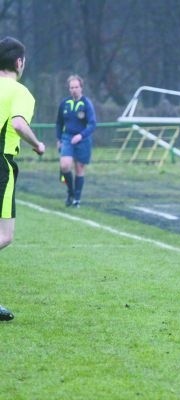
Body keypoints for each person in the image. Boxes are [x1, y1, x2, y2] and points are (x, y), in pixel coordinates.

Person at [0, 36, 46, 321]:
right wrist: (37, 144)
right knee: (4, 235)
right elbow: (18, 122)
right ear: (19, 63)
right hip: (1, 163)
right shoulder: (20, 92)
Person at [56, 74, 96, 208]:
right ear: (69, 89)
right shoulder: (64, 103)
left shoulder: (86, 103)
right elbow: (58, 123)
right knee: (65, 166)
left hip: (82, 140)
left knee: (79, 169)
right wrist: (58, 138)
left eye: (76, 87)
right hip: (67, 138)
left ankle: (76, 199)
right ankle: (70, 192)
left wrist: (81, 135)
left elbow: (92, 124)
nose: (74, 89)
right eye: (71, 87)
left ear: (81, 88)